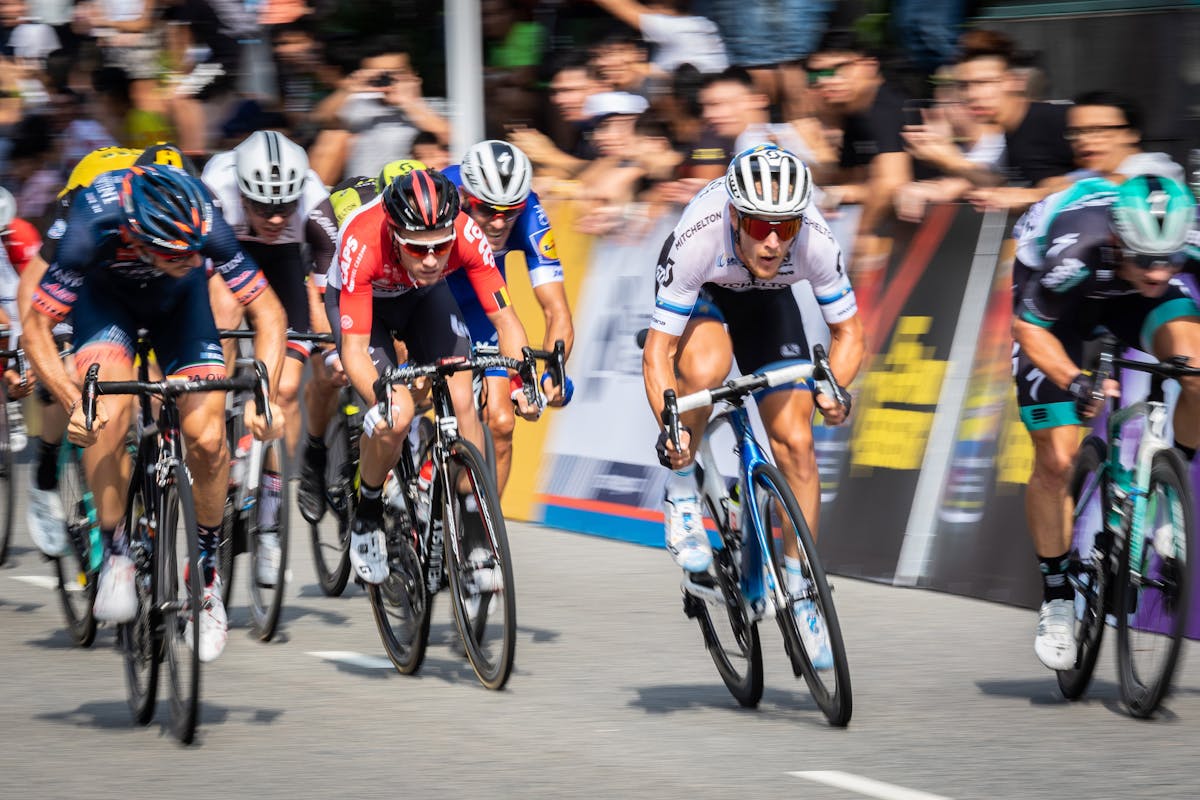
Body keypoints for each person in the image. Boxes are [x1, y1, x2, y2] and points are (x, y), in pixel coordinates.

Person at [21, 163, 286, 663]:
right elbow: (37, 324)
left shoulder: (204, 216)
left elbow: (268, 312)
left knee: (208, 438)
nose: (189, 257)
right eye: (173, 252)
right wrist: (72, 398)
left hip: (181, 308)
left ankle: (206, 573)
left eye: (194, 251)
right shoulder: (90, 222)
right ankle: (116, 546)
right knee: (108, 410)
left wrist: (264, 397)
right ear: (137, 237)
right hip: (106, 306)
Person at [641, 144, 864, 667]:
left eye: (784, 228)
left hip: (768, 303)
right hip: (706, 294)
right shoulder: (700, 236)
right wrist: (671, 434)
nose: (771, 241)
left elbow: (849, 333)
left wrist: (834, 386)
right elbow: (658, 354)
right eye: (760, 226)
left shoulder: (814, 241)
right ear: (736, 217)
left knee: (799, 444)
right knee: (706, 367)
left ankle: (801, 586)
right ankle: (682, 493)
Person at [1011, 174, 1198, 671]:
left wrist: (1152, 269)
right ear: (1120, 238)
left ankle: (1166, 501)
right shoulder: (1082, 248)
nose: (1159, 272)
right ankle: (1055, 598)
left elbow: (1159, 274)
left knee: (1197, 371)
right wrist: (1076, 382)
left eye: (1170, 259)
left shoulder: (1175, 247)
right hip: (1059, 308)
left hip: (1127, 299)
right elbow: (1029, 329)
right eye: (1146, 259)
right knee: (1055, 458)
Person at [331, 168, 540, 584]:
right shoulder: (361, 239)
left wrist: (522, 380)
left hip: (422, 297)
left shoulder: (464, 232)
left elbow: (506, 320)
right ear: (394, 234)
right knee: (399, 414)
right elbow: (355, 350)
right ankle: (368, 511)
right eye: (417, 248)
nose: (431, 258)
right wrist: (380, 400)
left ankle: (474, 526)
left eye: (441, 247)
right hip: (364, 304)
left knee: (463, 396)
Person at [18, 143, 195, 558]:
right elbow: (35, 286)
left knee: (150, 375)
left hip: (140, 261)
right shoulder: (90, 201)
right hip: (86, 261)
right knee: (67, 373)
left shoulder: (184, 203)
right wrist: (45, 345)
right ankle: (44, 472)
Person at [201, 130, 339, 575]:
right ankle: (217, 424)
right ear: (241, 192)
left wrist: (332, 342)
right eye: (262, 207)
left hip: (283, 267)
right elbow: (197, 278)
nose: (276, 218)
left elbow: (329, 297)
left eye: (284, 207)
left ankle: (270, 517)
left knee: (283, 390)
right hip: (228, 258)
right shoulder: (214, 189)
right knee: (222, 309)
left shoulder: (316, 204)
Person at [443, 140, 574, 496]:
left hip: (485, 308)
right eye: (487, 210)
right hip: (432, 299)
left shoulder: (531, 212)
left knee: (501, 422)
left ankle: (485, 537)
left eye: (510, 210)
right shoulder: (444, 198)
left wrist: (550, 374)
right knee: (423, 393)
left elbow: (556, 310)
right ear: (467, 197)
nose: (499, 222)